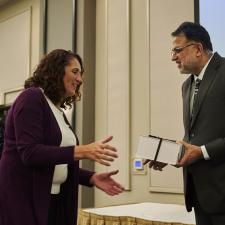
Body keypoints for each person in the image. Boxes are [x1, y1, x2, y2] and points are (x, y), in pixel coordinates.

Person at [0, 49, 124, 225]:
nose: (80, 79)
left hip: (53, 201)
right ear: (56, 70)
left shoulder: (57, 111)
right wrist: (81, 150)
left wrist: (91, 178)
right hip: (24, 201)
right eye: (75, 71)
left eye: (80, 74)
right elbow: (30, 153)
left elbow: (56, 163)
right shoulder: (31, 97)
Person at [146, 22, 225, 225]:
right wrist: (169, 154)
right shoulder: (187, 86)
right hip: (200, 195)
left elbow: (200, 146)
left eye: (177, 50)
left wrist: (203, 151)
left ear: (198, 49)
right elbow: (194, 137)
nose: (173, 57)